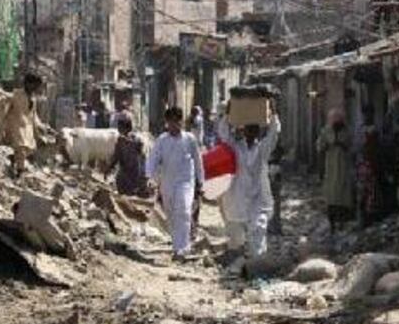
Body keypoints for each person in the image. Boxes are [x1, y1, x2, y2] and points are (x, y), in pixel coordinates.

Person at [218, 100, 281, 271]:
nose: (251, 133)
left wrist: (273, 114)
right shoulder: (234, 148)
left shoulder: (262, 149)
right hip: (237, 198)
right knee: (237, 239)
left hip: (258, 199)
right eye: (248, 129)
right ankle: (240, 266)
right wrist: (228, 114)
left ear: (258, 131)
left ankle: (257, 270)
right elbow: (224, 133)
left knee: (258, 234)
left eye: (254, 129)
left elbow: (274, 134)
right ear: (243, 130)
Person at [146, 107, 205, 260]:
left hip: (186, 182)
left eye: (177, 122)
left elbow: (198, 161)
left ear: (181, 122)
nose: (174, 125)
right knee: (171, 214)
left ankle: (183, 248)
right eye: (171, 122)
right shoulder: (162, 140)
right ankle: (176, 244)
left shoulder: (189, 139)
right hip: (167, 183)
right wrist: (149, 177)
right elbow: (153, 159)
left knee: (184, 211)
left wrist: (201, 181)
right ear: (167, 123)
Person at [316, 109, 354, 232]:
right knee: (331, 197)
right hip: (331, 167)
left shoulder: (347, 132)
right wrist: (328, 145)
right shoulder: (325, 131)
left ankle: (342, 222)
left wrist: (341, 144)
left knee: (343, 196)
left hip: (343, 167)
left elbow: (352, 147)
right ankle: (332, 224)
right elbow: (320, 147)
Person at [5, 73, 46, 178]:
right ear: (29, 84)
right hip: (16, 125)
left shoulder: (33, 98)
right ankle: (20, 172)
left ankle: (13, 159)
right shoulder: (16, 94)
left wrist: (41, 126)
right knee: (21, 148)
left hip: (27, 127)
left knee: (30, 149)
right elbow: (6, 105)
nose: (37, 88)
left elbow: (33, 114)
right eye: (36, 85)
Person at [105, 113, 148, 197]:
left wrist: (144, 177)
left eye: (120, 126)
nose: (118, 129)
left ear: (126, 127)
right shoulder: (120, 141)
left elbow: (143, 157)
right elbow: (116, 157)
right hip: (125, 176)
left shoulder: (138, 140)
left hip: (135, 174)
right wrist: (108, 169)